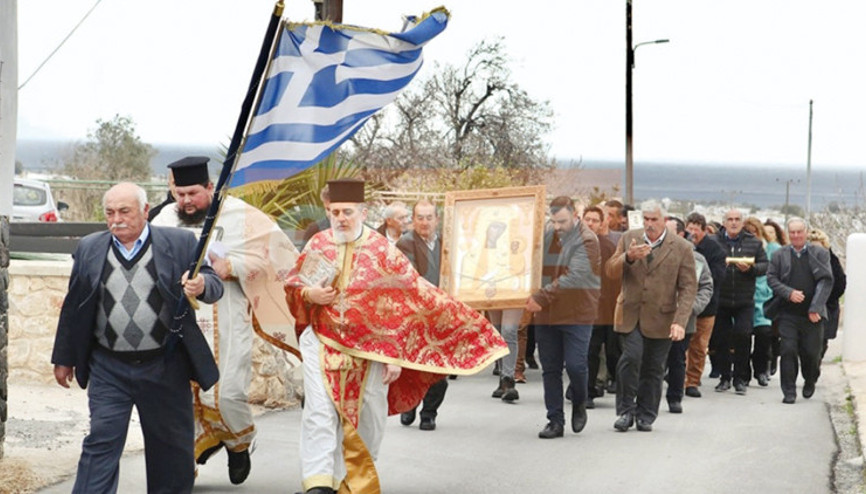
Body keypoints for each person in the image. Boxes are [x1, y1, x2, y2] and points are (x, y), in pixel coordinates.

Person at [283, 179, 507, 494]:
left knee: (369, 417)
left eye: (347, 211)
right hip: (322, 340)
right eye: (335, 212)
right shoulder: (319, 244)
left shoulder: (382, 250)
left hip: (371, 350)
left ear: (362, 211)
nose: (341, 218)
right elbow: (294, 285)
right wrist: (310, 293)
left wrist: (396, 355)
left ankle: (352, 480)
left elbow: (409, 300)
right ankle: (319, 484)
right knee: (319, 411)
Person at [51, 182, 224, 493]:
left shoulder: (180, 243)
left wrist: (201, 286)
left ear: (145, 211)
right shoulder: (90, 248)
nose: (117, 219)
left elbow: (213, 283)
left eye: (125, 211)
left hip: (165, 364)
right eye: (110, 213)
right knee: (101, 441)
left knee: (171, 451)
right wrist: (64, 358)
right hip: (108, 365)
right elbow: (74, 307)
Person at [151, 156, 299, 484]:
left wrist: (230, 266)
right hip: (179, 319)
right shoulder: (163, 219)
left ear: (209, 187)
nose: (187, 201)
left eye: (194, 193)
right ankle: (184, 466)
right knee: (183, 396)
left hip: (228, 317)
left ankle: (238, 442)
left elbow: (275, 254)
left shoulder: (241, 215)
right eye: (180, 194)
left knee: (226, 393)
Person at [606, 200, 696, 432]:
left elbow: (688, 288)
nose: (649, 224)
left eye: (654, 219)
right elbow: (609, 270)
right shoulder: (629, 238)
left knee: (654, 368)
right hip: (630, 314)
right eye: (645, 219)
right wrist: (628, 257)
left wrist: (680, 321)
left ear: (664, 220)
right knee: (631, 358)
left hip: (662, 317)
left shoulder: (682, 247)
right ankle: (626, 411)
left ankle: (646, 414)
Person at [526, 196, 600, 438]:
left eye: (562, 221)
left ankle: (580, 401)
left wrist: (540, 298)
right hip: (548, 315)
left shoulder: (587, 240)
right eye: (554, 221)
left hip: (577, 313)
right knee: (551, 368)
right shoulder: (549, 236)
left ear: (575, 215)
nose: (557, 226)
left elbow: (575, 277)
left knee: (577, 366)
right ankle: (555, 421)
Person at [766, 218, 833, 404]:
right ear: (788, 233)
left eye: (799, 232)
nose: (796, 236)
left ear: (805, 232)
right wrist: (788, 293)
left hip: (812, 315)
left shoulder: (819, 253)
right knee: (787, 350)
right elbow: (771, 278)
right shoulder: (779, 255)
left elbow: (826, 280)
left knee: (811, 353)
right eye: (792, 232)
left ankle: (810, 379)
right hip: (788, 313)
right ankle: (788, 391)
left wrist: (816, 307)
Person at [395, 200, 448, 430]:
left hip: (443, 315)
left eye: (429, 217)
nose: (425, 222)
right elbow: (410, 279)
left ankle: (429, 413)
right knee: (412, 366)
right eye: (420, 217)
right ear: (413, 220)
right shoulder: (405, 243)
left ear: (437, 219)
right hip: (414, 315)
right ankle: (409, 404)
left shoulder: (447, 244)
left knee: (439, 369)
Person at [710, 209, 768, 395]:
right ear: (724, 222)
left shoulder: (754, 242)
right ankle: (725, 377)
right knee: (722, 339)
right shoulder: (714, 242)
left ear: (742, 223)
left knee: (743, 336)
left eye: (737, 220)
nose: (733, 223)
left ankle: (740, 378)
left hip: (744, 299)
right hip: (722, 298)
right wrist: (719, 267)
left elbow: (764, 265)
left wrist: (750, 269)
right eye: (730, 220)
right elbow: (705, 264)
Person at [663, 217, 713, 414]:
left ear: (681, 234)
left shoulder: (696, 259)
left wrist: (692, 307)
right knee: (653, 358)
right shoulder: (652, 253)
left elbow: (706, 286)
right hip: (656, 316)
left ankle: (675, 397)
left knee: (677, 358)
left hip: (683, 318)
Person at [684, 212, 727, 398]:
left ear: (703, 231)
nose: (692, 233)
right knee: (681, 344)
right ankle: (680, 378)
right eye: (689, 229)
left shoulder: (715, 249)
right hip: (683, 304)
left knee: (699, 345)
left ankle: (693, 380)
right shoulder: (682, 246)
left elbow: (718, 276)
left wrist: (701, 270)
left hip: (706, 305)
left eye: (696, 229)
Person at [582, 205, 620, 407]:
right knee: (589, 351)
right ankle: (586, 392)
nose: (590, 223)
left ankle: (620, 388)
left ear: (602, 223)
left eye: (595, 220)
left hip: (606, 307)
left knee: (613, 352)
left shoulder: (608, 247)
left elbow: (615, 278)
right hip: (583, 308)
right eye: (587, 219)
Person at [743, 216, 774, 387]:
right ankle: (744, 371)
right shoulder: (739, 250)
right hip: (744, 299)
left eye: (754, 233)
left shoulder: (771, 250)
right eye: (748, 233)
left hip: (764, 301)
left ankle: (761, 369)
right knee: (743, 337)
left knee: (764, 334)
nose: (751, 236)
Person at [807, 228, 846, 359]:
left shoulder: (832, 261)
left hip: (828, 305)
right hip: (807, 304)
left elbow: (840, 283)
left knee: (822, 338)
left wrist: (825, 298)